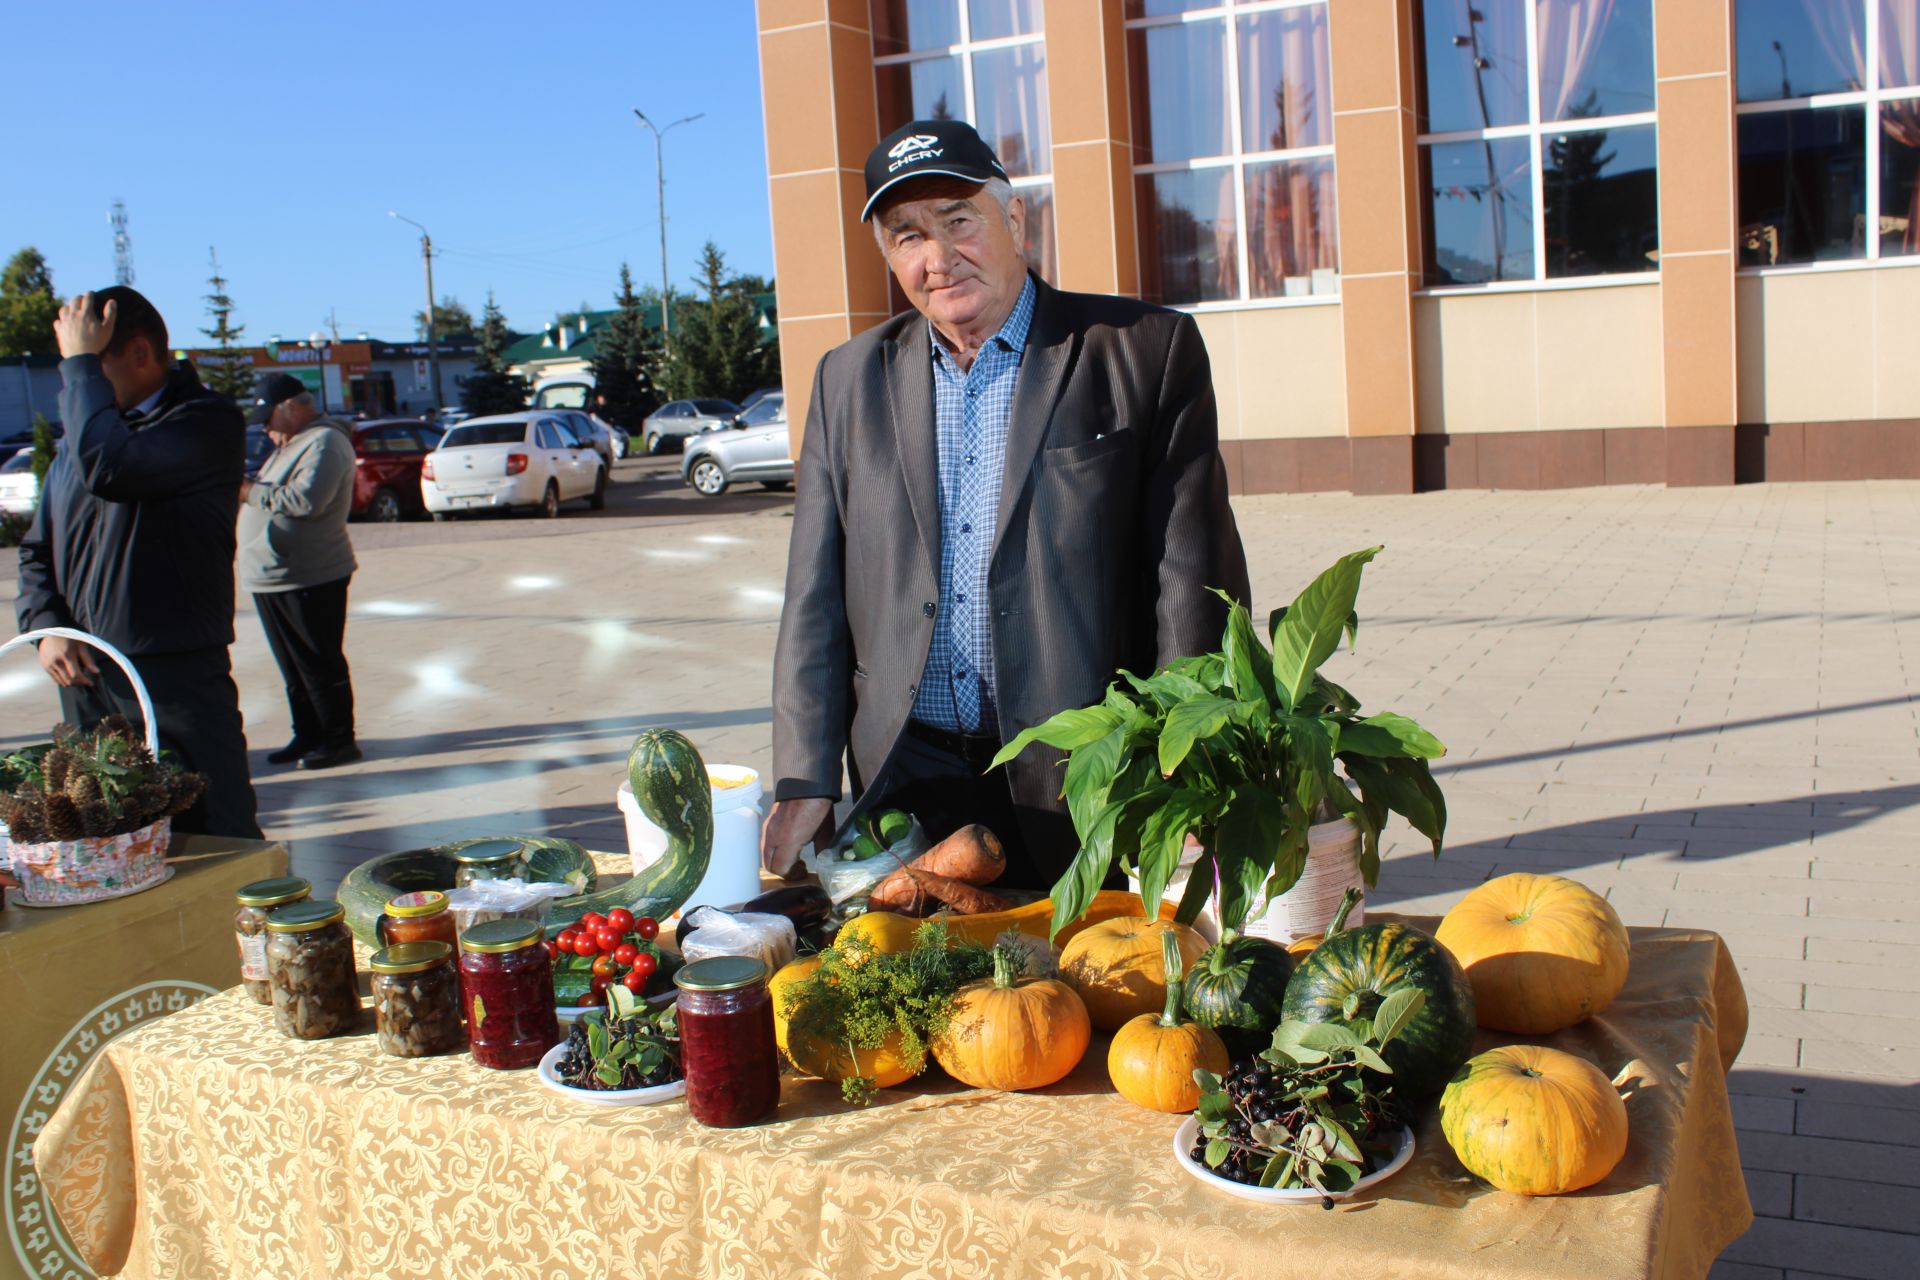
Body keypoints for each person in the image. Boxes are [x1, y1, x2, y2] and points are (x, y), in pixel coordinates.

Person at [762, 119, 1250, 891]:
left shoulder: (1143, 351)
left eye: (959, 221)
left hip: (1078, 767)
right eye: (908, 236)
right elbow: (813, 595)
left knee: (1082, 991)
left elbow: (1190, 581)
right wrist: (803, 772)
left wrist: (1182, 763)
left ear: (1014, 222)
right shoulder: (846, 381)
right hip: (904, 772)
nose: (938, 257)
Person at [15, 288, 261, 838]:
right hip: (86, 676)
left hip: (170, 675)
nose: (76, 384)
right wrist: (45, 629)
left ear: (141, 354)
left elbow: (113, 471)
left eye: (88, 365)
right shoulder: (84, 440)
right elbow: (36, 551)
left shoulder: (203, 422)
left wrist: (80, 371)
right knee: (101, 835)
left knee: (212, 834)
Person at [238, 374, 362, 770]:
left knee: (318, 663)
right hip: (274, 575)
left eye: (268, 416)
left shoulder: (324, 441)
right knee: (293, 667)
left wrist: (245, 490)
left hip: (311, 574)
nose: (265, 427)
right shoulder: (291, 442)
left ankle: (338, 740)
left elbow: (306, 500)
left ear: (292, 406)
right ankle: (307, 734)